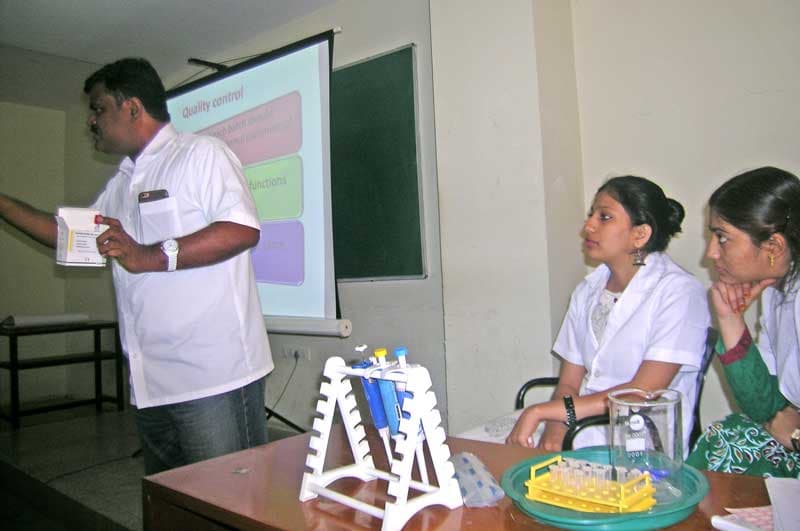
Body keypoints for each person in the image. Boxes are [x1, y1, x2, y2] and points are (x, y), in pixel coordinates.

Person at [0, 58, 274, 474]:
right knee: (172, 506)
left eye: (98, 108)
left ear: (131, 107)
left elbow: (241, 229)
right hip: (151, 385)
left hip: (213, 379)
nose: (91, 121)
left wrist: (147, 255)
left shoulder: (201, 153)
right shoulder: (121, 183)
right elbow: (67, 236)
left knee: (231, 505)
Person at [507, 176, 710, 453]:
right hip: (578, 426)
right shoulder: (587, 290)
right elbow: (569, 382)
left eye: (604, 217)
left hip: (639, 443)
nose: (588, 226)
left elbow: (641, 393)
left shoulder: (679, 293)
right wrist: (556, 427)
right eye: (592, 214)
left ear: (640, 234)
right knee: (479, 456)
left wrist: (545, 412)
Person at [687, 166, 800, 478]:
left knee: (732, 446)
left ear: (774, 247)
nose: (710, 253)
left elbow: (782, 423)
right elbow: (763, 408)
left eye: (722, 237)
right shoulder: (780, 290)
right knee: (727, 437)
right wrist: (730, 318)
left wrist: (794, 434)